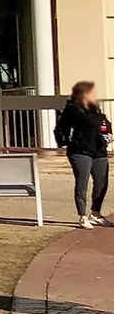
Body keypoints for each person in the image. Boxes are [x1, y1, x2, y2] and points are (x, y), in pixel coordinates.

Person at [55, 80, 110, 228]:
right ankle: (82, 215)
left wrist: (107, 133)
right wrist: (66, 141)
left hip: (98, 149)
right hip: (80, 150)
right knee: (82, 182)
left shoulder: (96, 109)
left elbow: (104, 124)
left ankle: (95, 213)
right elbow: (84, 123)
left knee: (102, 182)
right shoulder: (72, 109)